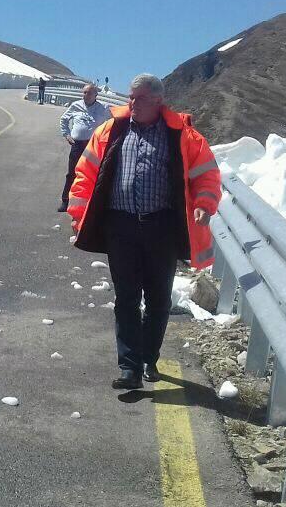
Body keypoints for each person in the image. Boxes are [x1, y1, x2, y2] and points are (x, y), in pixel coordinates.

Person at [66, 74, 221, 390]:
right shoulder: (111, 131)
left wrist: (204, 203)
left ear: (157, 101)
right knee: (126, 297)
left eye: (138, 99)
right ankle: (129, 367)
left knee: (158, 298)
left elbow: (207, 175)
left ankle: (150, 357)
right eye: (130, 98)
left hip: (161, 227)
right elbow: (85, 173)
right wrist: (77, 212)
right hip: (119, 226)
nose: (131, 104)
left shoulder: (183, 136)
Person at [57, 82, 112, 212]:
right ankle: (66, 201)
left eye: (89, 93)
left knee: (91, 175)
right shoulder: (76, 105)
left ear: (96, 95)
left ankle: (90, 204)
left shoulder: (103, 108)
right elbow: (64, 119)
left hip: (93, 147)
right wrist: (66, 134)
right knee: (72, 173)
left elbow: (113, 122)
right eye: (84, 92)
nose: (86, 95)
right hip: (77, 145)